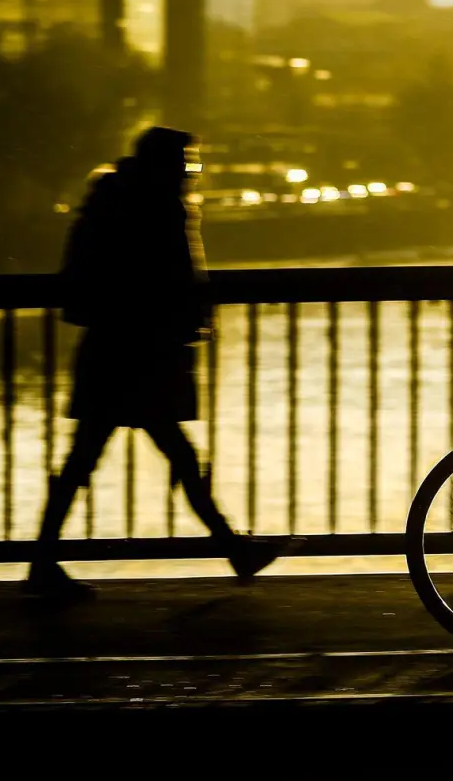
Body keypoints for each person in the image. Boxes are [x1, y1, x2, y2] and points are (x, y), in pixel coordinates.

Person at [23, 126, 284, 600]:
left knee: (87, 458)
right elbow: (174, 278)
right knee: (177, 458)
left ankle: (43, 561)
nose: (191, 172)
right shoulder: (159, 206)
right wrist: (190, 321)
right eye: (187, 162)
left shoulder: (112, 199)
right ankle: (233, 549)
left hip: (110, 350)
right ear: (167, 165)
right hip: (143, 352)